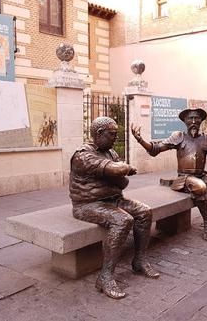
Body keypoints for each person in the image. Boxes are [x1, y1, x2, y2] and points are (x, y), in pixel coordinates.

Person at [70, 116, 159, 299]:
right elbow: (118, 171)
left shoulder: (111, 153)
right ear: (99, 134)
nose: (115, 138)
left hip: (114, 200)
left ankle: (139, 260)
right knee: (123, 220)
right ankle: (105, 276)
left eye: (116, 134)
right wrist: (124, 168)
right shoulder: (83, 155)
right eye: (112, 134)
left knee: (144, 212)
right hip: (88, 205)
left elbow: (123, 183)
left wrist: (120, 170)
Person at [131, 108, 207, 242]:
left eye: (197, 118)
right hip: (184, 179)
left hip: (201, 176)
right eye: (190, 118)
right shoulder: (178, 137)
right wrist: (140, 140)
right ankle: (206, 224)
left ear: (201, 121)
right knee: (200, 187)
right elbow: (156, 149)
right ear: (185, 121)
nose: (193, 121)